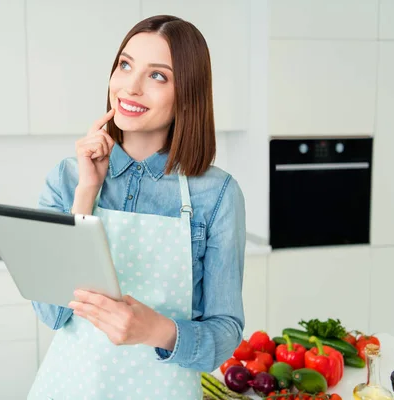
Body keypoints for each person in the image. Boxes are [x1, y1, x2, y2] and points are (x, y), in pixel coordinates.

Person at [27, 14, 246, 400]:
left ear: (187, 94)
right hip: (70, 388)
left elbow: (225, 332)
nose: (130, 86)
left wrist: (155, 330)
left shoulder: (218, 195)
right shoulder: (66, 178)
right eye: (125, 65)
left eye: (157, 76)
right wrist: (87, 192)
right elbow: (52, 314)